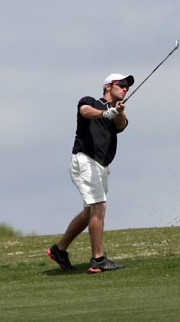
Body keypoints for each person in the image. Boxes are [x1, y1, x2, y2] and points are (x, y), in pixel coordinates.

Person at [47, 73, 134, 273]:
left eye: (127, 87)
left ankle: (59, 250)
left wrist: (118, 111)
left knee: (89, 212)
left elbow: (121, 125)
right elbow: (85, 111)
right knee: (99, 206)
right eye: (121, 85)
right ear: (108, 86)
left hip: (101, 166)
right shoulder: (90, 101)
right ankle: (97, 259)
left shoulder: (116, 113)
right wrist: (105, 113)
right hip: (84, 160)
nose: (125, 88)